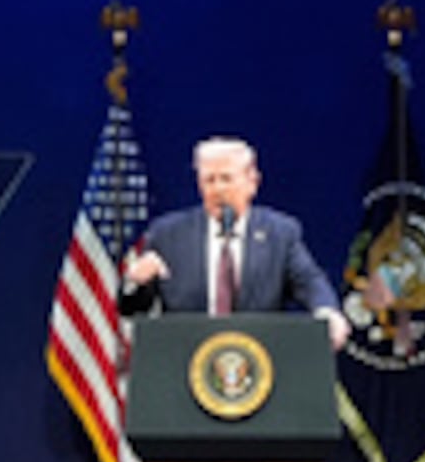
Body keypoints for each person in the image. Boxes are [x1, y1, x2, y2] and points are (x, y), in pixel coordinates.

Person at [120, 135, 348, 350]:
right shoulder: (167, 234)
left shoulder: (280, 233)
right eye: (209, 180)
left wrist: (327, 312)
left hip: (258, 360)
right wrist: (135, 281)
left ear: (252, 183)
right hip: (186, 360)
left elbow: (308, 281)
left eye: (227, 179)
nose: (218, 189)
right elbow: (131, 307)